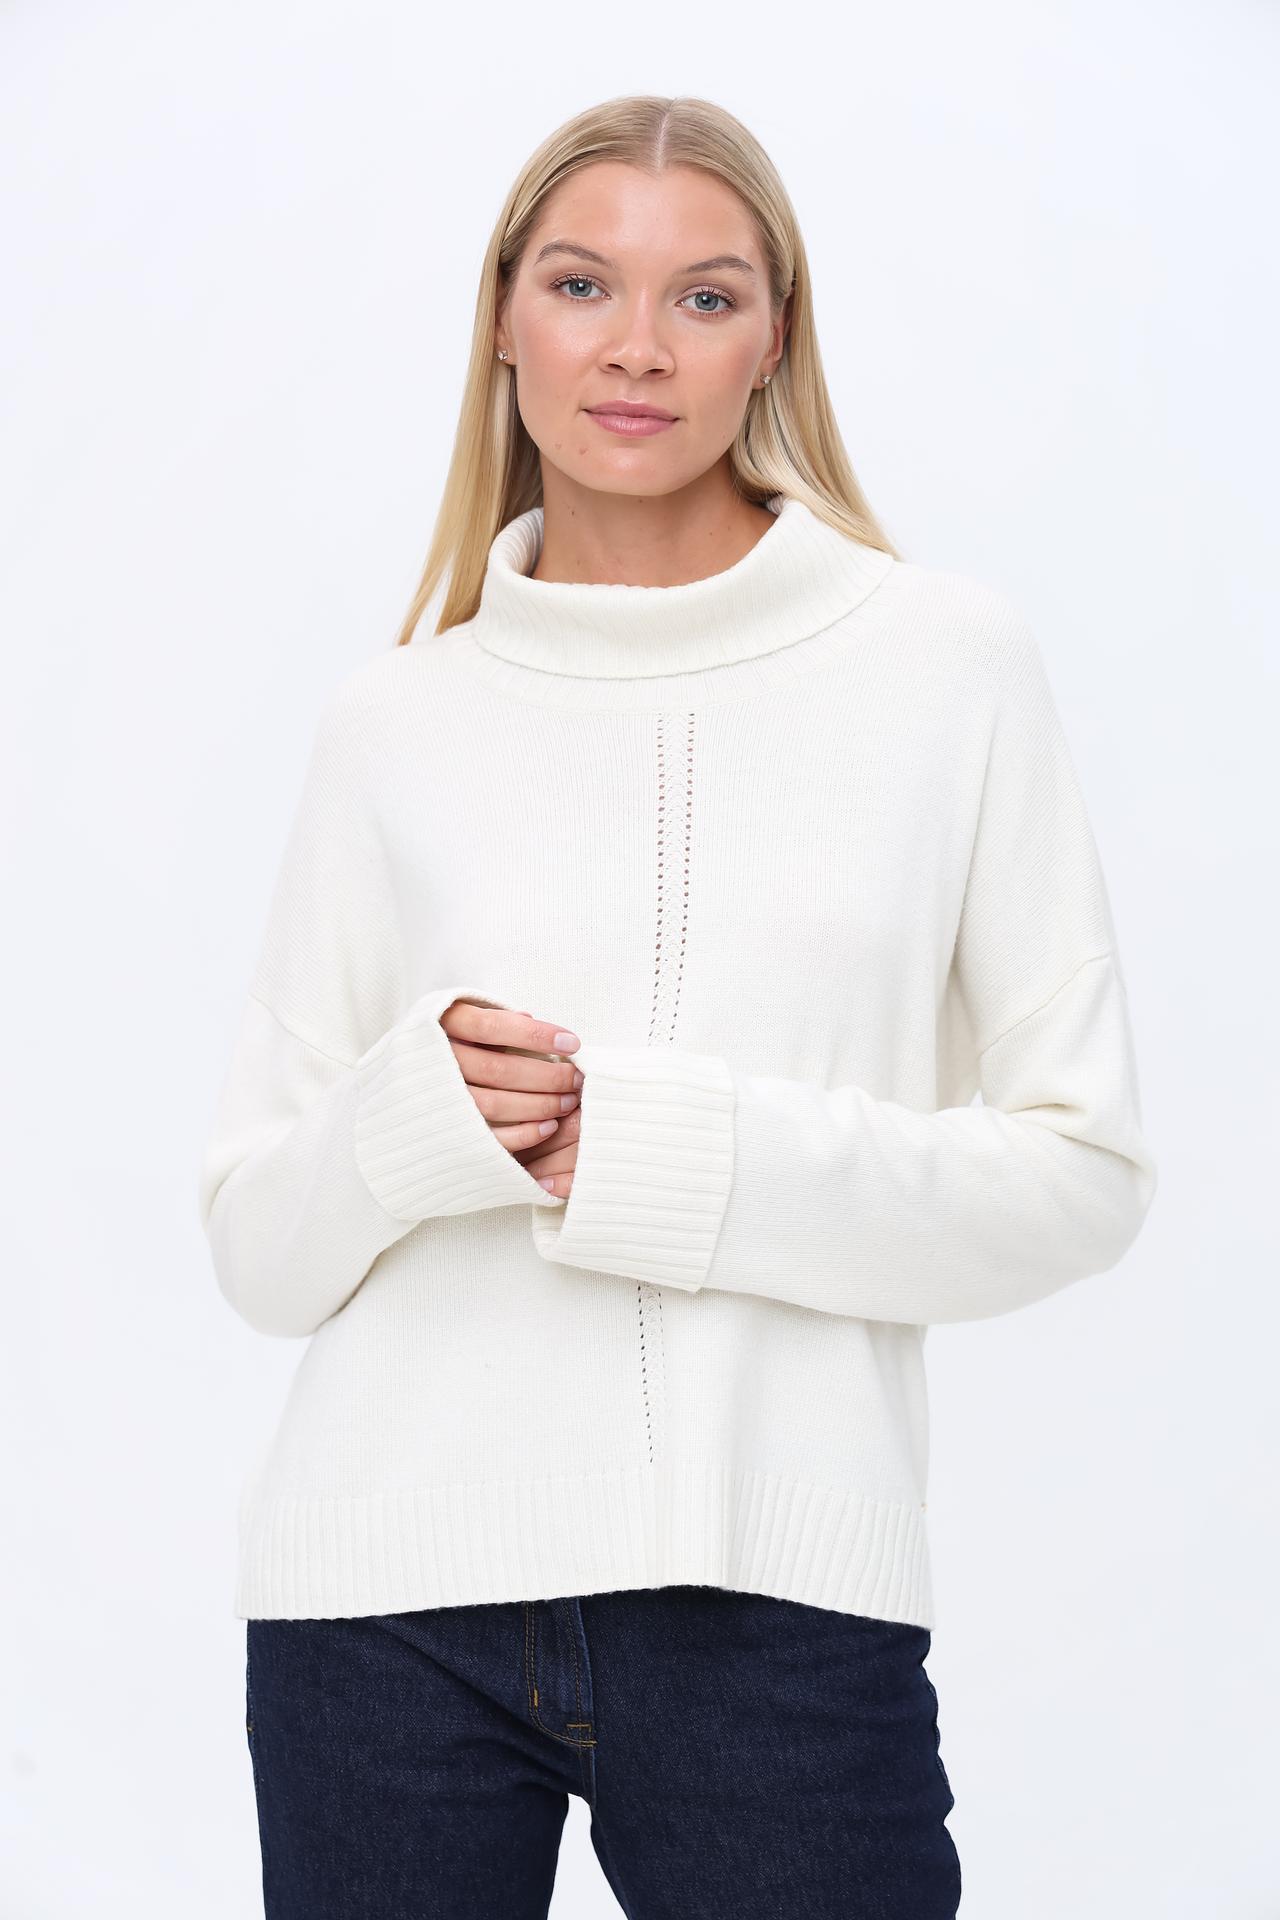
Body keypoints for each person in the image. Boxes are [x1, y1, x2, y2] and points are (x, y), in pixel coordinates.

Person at [197, 92, 1157, 1920]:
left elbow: (1081, 1173)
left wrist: (669, 1152)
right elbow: (257, 1247)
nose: (636, 346)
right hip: (376, 1613)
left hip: (772, 1611)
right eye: (582, 284)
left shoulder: (945, 667)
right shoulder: (391, 723)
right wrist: (416, 1118)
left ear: (774, 337)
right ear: (503, 317)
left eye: (704, 297)